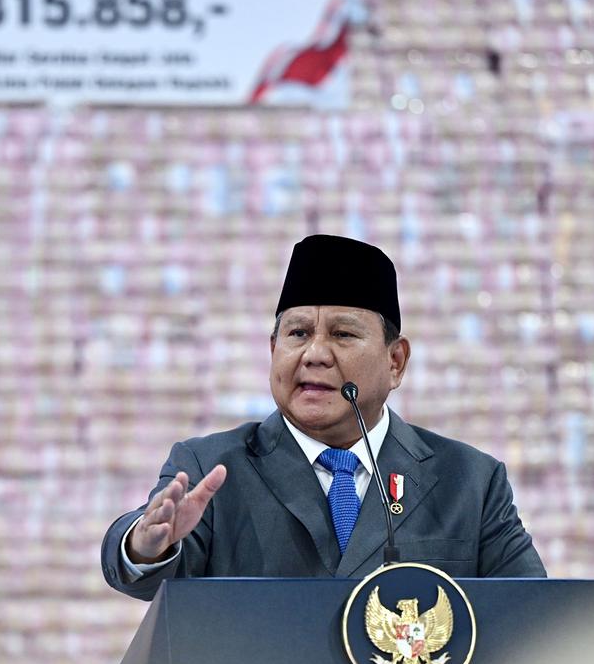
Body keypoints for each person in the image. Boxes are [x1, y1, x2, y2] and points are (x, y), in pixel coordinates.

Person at [100, 234, 546, 601]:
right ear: (273, 351)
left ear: (395, 361)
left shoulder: (469, 481)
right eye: (297, 333)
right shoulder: (212, 467)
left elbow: (535, 618)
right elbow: (146, 572)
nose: (314, 354)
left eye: (343, 334)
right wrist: (145, 545)